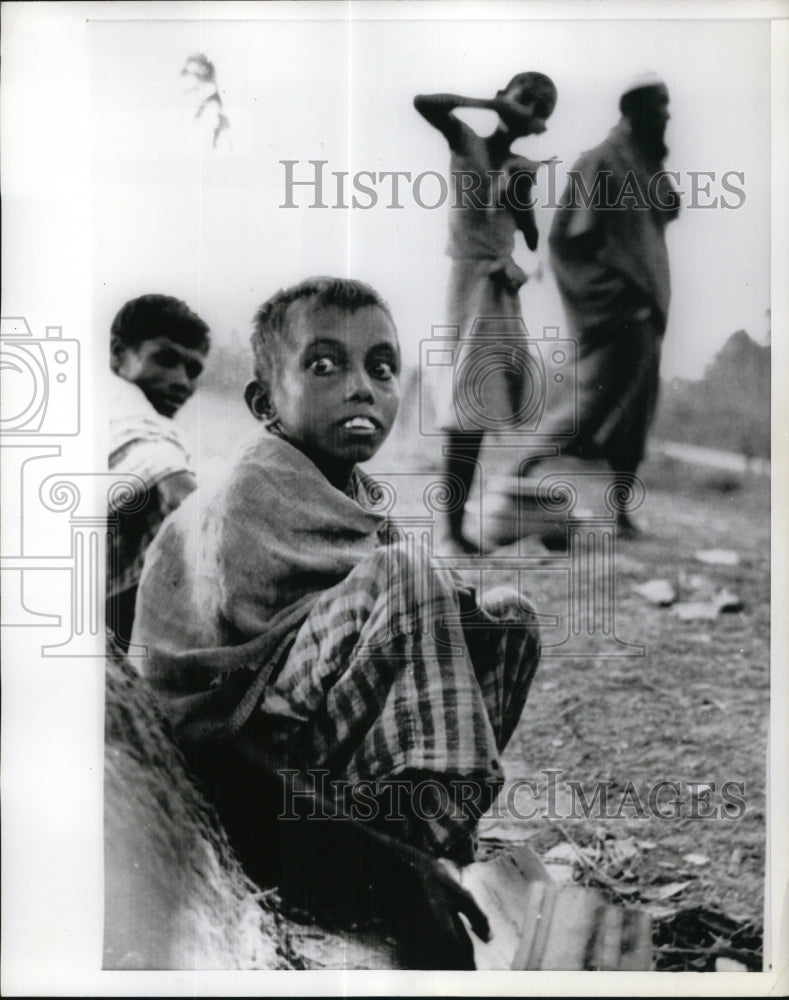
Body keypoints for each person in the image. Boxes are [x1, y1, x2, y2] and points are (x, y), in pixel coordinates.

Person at [131, 277, 542, 966]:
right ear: (265, 402)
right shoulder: (249, 495)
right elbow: (201, 729)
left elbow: (403, 636)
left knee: (506, 621)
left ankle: (425, 836)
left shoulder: (348, 498)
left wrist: (461, 621)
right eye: (325, 365)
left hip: (317, 772)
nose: (362, 388)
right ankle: (401, 855)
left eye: (382, 369)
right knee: (406, 577)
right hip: (239, 783)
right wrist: (380, 865)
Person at [414, 72, 557, 552]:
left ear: (541, 125)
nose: (530, 109)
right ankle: (450, 530)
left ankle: (453, 528)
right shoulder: (468, 141)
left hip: (498, 290)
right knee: (463, 405)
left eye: (540, 107)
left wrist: (521, 204)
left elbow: (533, 239)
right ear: (504, 98)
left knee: (478, 405)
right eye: (525, 97)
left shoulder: (521, 166)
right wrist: (489, 104)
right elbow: (425, 100)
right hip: (466, 283)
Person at [537, 72, 680, 537]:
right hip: (620, 313)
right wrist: (611, 301)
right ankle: (519, 474)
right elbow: (565, 244)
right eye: (660, 104)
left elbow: (667, 209)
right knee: (588, 409)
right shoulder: (601, 160)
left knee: (635, 414)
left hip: (647, 311)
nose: (668, 114)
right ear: (633, 109)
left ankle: (619, 513)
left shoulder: (641, 163)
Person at [107, 293, 210, 649]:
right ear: (119, 354)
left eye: (193, 369)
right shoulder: (120, 400)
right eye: (166, 360)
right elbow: (173, 484)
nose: (182, 381)